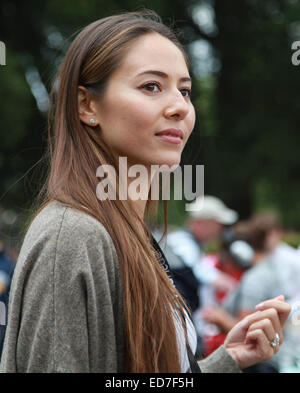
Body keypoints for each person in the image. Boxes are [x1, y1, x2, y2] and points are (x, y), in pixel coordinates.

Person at [0, 11, 291, 373]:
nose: (179, 107)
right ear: (86, 106)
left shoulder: (129, 229)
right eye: (151, 86)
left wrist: (228, 360)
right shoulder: (72, 237)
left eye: (184, 90)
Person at [203, 212, 300, 372]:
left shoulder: (254, 279)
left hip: (260, 364)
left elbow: (250, 331)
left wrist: (219, 318)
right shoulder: (270, 269)